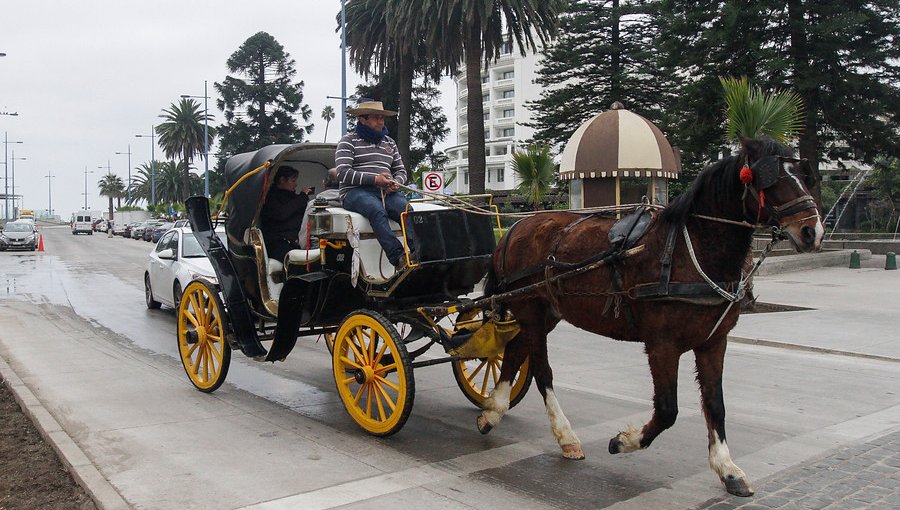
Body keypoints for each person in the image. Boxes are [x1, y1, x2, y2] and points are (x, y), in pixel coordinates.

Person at [335, 100, 413, 270]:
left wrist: (396, 183)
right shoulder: (348, 141)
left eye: (382, 118)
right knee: (375, 209)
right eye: (376, 118)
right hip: (354, 192)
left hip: (385, 191)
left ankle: (418, 252)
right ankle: (398, 257)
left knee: (405, 209)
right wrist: (375, 179)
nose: (381, 121)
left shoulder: (390, 143)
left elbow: (401, 171)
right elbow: (343, 173)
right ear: (362, 120)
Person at [260, 165, 311, 263]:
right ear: (282, 180)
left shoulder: (294, 198)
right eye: (293, 181)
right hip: (279, 241)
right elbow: (281, 213)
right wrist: (302, 197)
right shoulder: (270, 197)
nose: (295, 184)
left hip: (297, 239)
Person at [299, 168, 341, 249]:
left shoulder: (313, 205)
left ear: (324, 184)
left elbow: (304, 238)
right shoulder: (352, 204)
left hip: (318, 250)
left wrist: (304, 249)